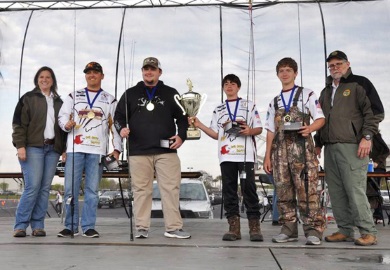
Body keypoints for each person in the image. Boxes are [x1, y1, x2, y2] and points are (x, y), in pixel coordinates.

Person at [114, 57, 190, 239]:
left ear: (159, 72)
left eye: (153, 69)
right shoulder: (130, 93)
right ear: (142, 71)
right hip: (138, 151)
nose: (149, 72)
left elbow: (183, 117)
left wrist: (182, 136)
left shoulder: (171, 93)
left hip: (166, 150)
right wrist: (121, 129)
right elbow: (118, 117)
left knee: (171, 188)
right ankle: (141, 227)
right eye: (146, 69)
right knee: (141, 190)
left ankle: (173, 227)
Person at [314, 50, 381, 246]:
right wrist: (318, 142)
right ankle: (345, 229)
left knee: (354, 190)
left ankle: (368, 231)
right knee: (336, 191)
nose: (335, 68)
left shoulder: (360, 83)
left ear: (348, 64)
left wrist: (367, 137)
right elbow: (322, 119)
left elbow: (375, 112)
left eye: (339, 64)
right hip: (330, 147)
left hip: (353, 146)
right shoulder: (325, 91)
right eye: (331, 65)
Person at [189, 74, 263, 241]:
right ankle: (234, 228)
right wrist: (199, 125)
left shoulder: (249, 106)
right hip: (226, 155)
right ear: (223, 87)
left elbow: (258, 129)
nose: (229, 86)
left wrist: (249, 131)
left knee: (249, 190)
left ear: (238, 87)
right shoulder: (219, 109)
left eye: (233, 84)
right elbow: (216, 134)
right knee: (229, 191)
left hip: (246, 155)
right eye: (226, 84)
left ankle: (254, 228)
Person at [263, 57, 326, 245]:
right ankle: (288, 230)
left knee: (308, 191)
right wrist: (267, 156)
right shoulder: (274, 102)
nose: (284, 74)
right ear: (277, 75)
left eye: (288, 70)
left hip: (303, 152)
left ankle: (313, 230)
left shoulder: (307, 94)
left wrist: (310, 129)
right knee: (283, 192)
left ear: (295, 73)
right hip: (280, 154)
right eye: (281, 71)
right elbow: (270, 130)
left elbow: (321, 119)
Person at [57, 62, 122, 238]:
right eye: (88, 73)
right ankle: (70, 226)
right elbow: (62, 116)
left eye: (95, 72)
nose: (91, 75)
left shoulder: (110, 99)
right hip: (75, 148)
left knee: (92, 191)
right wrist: (66, 124)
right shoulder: (74, 95)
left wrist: (117, 149)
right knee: (70, 190)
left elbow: (116, 126)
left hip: (97, 150)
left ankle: (88, 226)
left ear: (102, 76)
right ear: (85, 76)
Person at [12, 66, 67, 237]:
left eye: (48, 77)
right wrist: (20, 146)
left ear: (53, 80)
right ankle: (20, 225)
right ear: (37, 79)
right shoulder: (28, 99)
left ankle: (38, 226)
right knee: (33, 186)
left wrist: (64, 149)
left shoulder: (59, 102)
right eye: (41, 77)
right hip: (32, 147)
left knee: (44, 188)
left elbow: (63, 128)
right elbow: (19, 124)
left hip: (53, 150)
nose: (44, 79)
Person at [370, 132, 389, 223]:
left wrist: (377, 162)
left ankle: (378, 215)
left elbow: (386, 150)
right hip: (365, 168)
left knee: (374, 189)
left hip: (378, 167)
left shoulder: (376, 136)